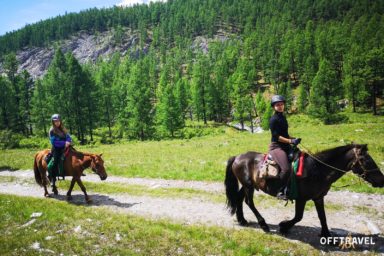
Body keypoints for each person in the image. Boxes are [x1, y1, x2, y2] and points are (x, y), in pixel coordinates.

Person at [268, 95, 301, 200]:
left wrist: (293, 138)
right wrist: (291, 141)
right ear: (274, 107)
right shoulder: (273, 120)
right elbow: (276, 137)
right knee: (286, 169)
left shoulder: (282, 117)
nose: (280, 106)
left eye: (282, 104)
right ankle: (280, 190)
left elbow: (285, 135)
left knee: (301, 159)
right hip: (277, 147)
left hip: (285, 145)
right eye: (277, 105)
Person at [48, 114, 72, 180]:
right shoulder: (52, 130)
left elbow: (68, 136)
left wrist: (68, 141)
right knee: (55, 162)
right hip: (57, 149)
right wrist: (64, 143)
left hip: (66, 147)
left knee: (75, 154)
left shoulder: (63, 128)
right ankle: (52, 177)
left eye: (58, 121)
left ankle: (77, 170)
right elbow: (54, 142)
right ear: (53, 122)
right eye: (55, 121)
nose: (57, 122)